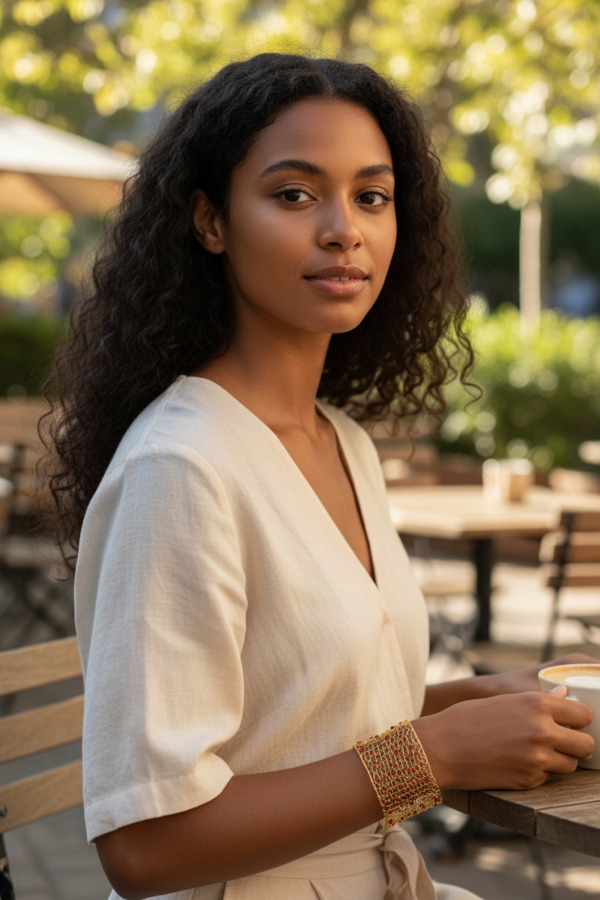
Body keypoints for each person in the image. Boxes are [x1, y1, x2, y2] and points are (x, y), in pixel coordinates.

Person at [44, 53, 595, 900]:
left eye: (371, 197)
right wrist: (433, 755)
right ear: (210, 220)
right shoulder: (180, 470)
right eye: (294, 195)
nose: (345, 229)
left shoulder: (340, 439)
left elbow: (300, 718)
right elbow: (144, 845)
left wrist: (477, 700)